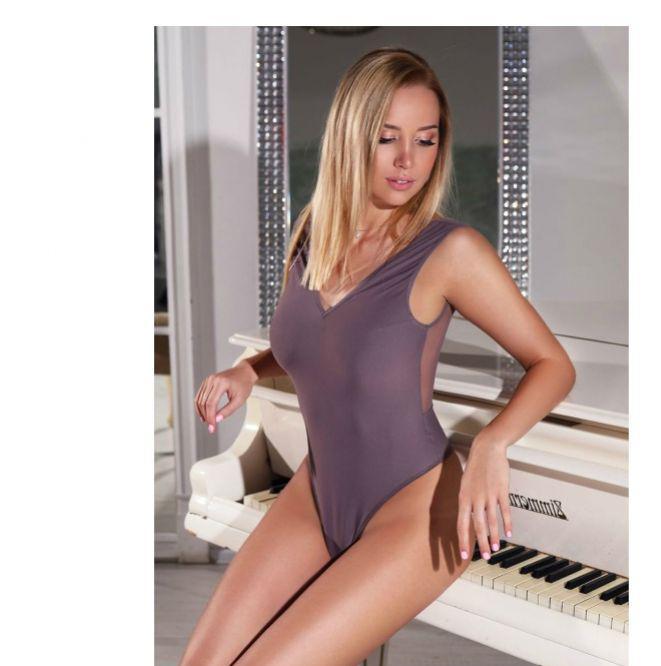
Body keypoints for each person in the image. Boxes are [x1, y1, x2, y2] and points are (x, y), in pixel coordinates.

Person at [182, 46, 576, 666]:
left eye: (426, 140)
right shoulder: (314, 233)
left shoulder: (451, 251)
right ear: (351, 137)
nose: (407, 161)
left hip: (415, 510)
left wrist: (491, 444)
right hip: (318, 494)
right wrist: (249, 369)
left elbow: (553, 364)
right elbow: (324, 344)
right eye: (387, 138)